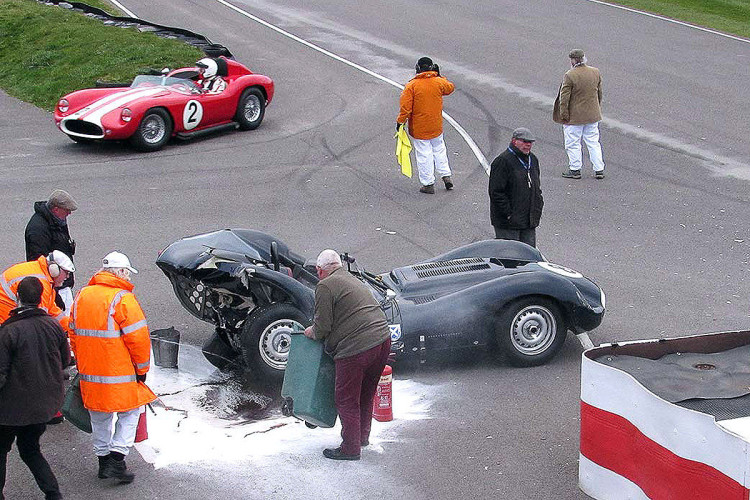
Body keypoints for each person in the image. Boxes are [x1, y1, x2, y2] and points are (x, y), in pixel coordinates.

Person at [70, 252, 156, 483]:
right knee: (131, 411)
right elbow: (138, 339)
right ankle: (117, 459)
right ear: (120, 272)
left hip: (90, 372)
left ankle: (103, 462)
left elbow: (73, 333)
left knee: (100, 417)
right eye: (127, 272)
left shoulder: (82, 295)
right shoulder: (123, 299)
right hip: (118, 373)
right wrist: (142, 369)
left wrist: (83, 361)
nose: (128, 276)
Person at [303, 250, 391, 461]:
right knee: (366, 393)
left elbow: (323, 326)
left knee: (346, 399)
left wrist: (311, 331)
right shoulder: (351, 278)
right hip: (382, 338)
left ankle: (350, 448)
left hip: (356, 347)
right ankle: (361, 438)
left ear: (319, 270)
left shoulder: (325, 285)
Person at [0, 277, 69, 500]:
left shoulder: (8, 331)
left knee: (1, 451)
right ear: (41, 298)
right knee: (30, 450)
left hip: (11, 409)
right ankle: (53, 494)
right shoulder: (53, 325)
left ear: (17, 298)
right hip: (44, 406)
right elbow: (65, 360)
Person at [396, 56, 455, 194]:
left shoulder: (412, 86)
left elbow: (406, 108)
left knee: (424, 154)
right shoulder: (438, 82)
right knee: (439, 149)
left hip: (420, 127)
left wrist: (400, 122)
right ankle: (446, 175)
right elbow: (450, 88)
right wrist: (439, 75)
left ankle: (428, 183)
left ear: (418, 68)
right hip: (436, 125)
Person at [553, 49, 605, 179]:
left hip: (575, 117)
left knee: (573, 143)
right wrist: (596, 108)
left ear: (573, 60)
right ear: (583, 58)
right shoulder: (595, 72)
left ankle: (575, 169)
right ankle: (599, 169)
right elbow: (599, 93)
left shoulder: (570, 75)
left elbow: (564, 98)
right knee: (593, 142)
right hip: (593, 115)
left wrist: (563, 115)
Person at [488, 128, 544, 247]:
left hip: (528, 221)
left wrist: (537, 208)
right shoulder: (502, 161)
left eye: (530, 142)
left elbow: (536, 186)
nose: (528, 145)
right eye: (524, 141)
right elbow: (496, 192)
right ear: (514, 141)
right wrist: (508, 214)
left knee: (528, 257)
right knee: (510, 258)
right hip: (508, 224)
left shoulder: (532, 160)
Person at [24, 189, 78, 312]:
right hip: (55, 285)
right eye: (67, 210)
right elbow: (38, 260)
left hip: (60, 281)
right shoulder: (38, 229)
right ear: (56, 209)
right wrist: (54, 289)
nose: (69, 213)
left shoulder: (56, 221)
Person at [0, 251, 74, 333]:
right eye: (66, 273)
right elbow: (38, 320)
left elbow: (52, 310)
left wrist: (70, 327)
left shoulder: (42, 275)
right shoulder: (42, 283)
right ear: (55, 270)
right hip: (5, 316)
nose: (67, 277)